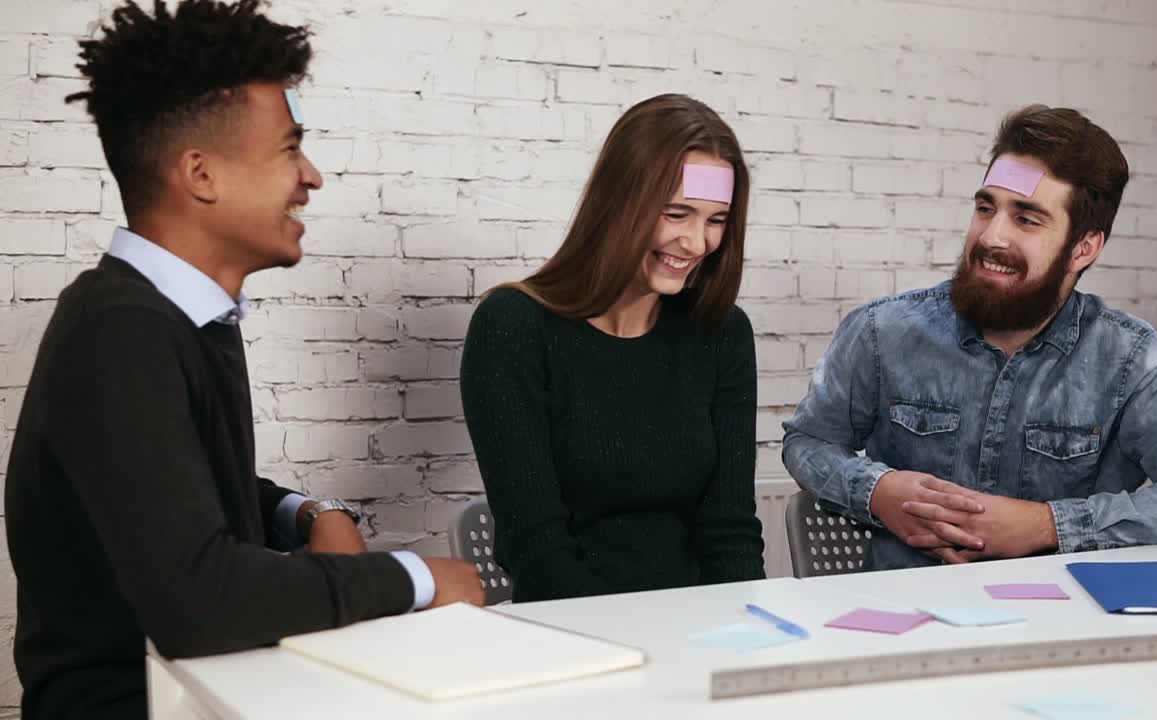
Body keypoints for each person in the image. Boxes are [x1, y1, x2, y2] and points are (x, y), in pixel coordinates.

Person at [4, 2, 482, 717]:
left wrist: (304, 512)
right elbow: (202, 602)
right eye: (290, 149)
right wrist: (415, 577)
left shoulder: (171, 317)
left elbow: (163, 486)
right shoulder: (120, 330)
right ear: (201, 174)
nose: (310, 177)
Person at [783, 104, 1157, 571]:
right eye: (986, 208)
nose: (991, 236)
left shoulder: (1128, 359)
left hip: (1063, 626)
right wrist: (877, 491)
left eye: (1026, 219)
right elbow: (807, 441)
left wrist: (1046, 525)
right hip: (907, 620)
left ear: (1083, 248)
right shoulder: (883, 332)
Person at [460, 94, 765, 602]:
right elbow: (535, 547)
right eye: (677, 214)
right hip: (575, 634)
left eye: (716, 220)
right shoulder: (512, 326)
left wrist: (746, 630)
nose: (696, 242)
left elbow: (729, 529)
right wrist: (637, 645)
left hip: (697, 630)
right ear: (619, 201)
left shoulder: (723, 334)